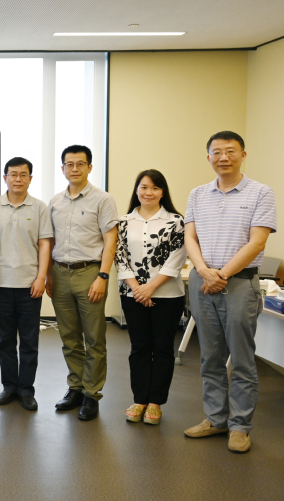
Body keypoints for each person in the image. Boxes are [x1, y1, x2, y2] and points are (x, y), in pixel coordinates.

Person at [183, 131, 276, 453]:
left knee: (242, 359)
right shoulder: (198, 194)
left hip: (238, 284)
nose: (223, 157)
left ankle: (240, 426)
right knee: (209, 357)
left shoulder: (261, 192)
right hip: (202, 281)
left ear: (243, 155)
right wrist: (204, 271)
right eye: (217, 152)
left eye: (231, 151)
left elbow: (257, 242)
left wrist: (221, 274)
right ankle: (216, 419)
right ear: (208, 156)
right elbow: (190, 237)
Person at [47, 144, 118, 421]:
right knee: (69, 337)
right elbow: (50, 241)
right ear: (62, 168)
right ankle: (75, 388)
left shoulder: (103, 200)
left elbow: (110, 241)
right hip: (60, 273)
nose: (74, 168)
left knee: (94, 338)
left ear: (89, 167)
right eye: (69, 164)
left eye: (80, 164)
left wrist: (103, 276)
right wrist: (49, 274)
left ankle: (92, 393)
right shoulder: (55, 201)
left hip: (90, 273)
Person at [115, 170, 187, 425]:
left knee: (163, 348)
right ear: (136, 190)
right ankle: (139, 400)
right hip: (132, 294)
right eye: (144, 187)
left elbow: (177, 258)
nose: (149, 192)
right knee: (139, 348)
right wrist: (138, 289)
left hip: (168, 295)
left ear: (163, 192)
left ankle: (156, 403)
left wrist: (150, 288)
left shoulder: (176, 221)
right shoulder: (124, 221)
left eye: (155, 188)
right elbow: (119, 257)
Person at [0, 157, 52, 411]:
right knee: (5, 340)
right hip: (1, 282)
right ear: (5, 178)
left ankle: (26, 389)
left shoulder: (39, 207)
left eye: (23, 175)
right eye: (13, 174)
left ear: (30, 179)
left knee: (29, 340)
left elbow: (45, 244)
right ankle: (9, 386)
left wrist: (41, 277)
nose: (18, 179)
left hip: (29, 284)